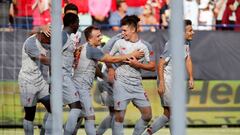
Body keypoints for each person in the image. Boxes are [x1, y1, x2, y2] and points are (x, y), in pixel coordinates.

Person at [72, 25, 144, 135]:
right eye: (98, 36)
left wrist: (103, 76)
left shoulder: (84, 47)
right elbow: (112, 59)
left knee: (79, 116)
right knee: (90, 117)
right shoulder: (92, 50)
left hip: (76, 86)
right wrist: (131, 54)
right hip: (81, 88)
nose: (101, 38)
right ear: (90, 38)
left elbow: (92, 67)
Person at [143, 19, 194, 135]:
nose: (193, 32)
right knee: (174, 112)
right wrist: (161, 82)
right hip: (167, 80)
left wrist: (191, 77)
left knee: (167, 114)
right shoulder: (172, 44)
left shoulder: (186, 43)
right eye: (190, 30)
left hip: (176, 82)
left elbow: (188, 59)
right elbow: (161, 63)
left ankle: (147, 134)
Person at [109, 15, 156, 135]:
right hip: (121, 83)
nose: (122, 32)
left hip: (136, 84)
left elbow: (152, 66)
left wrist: (137, 64)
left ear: (133, 29)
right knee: (119, 117)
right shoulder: (119, 43)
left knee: (147, 115)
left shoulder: (145, 46)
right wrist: (111, 69)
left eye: (124, 30)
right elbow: (107, 58)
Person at [18, 30, 52, 135]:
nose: (50, 41)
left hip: (40, 81)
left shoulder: (46, 41)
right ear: (42, 35)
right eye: (49, 38)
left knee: (54, 108)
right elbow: (42, 59)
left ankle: (44, 133)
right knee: (30, 114)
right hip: (27, 82)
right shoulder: (30, 43)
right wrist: (58, 61)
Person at [61, 13, 82, 135]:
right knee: (77, 108)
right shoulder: (63, 36)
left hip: (63, 76)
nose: (78, 26)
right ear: (73, 23)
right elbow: (52, 56)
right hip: (62, 77)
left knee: (53, 111)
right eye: (78, 23)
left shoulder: (67, 37)